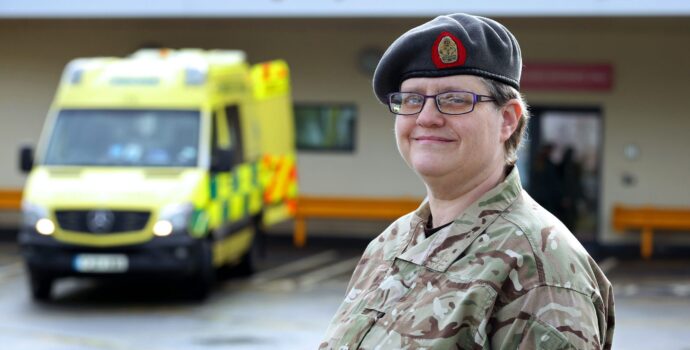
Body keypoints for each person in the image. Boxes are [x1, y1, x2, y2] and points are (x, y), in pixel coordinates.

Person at [320, 13, 614, 350]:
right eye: (412, 99)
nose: (427, 117)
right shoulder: (390, 244)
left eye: (455, 99)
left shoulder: (539, 271)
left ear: (507, 120)